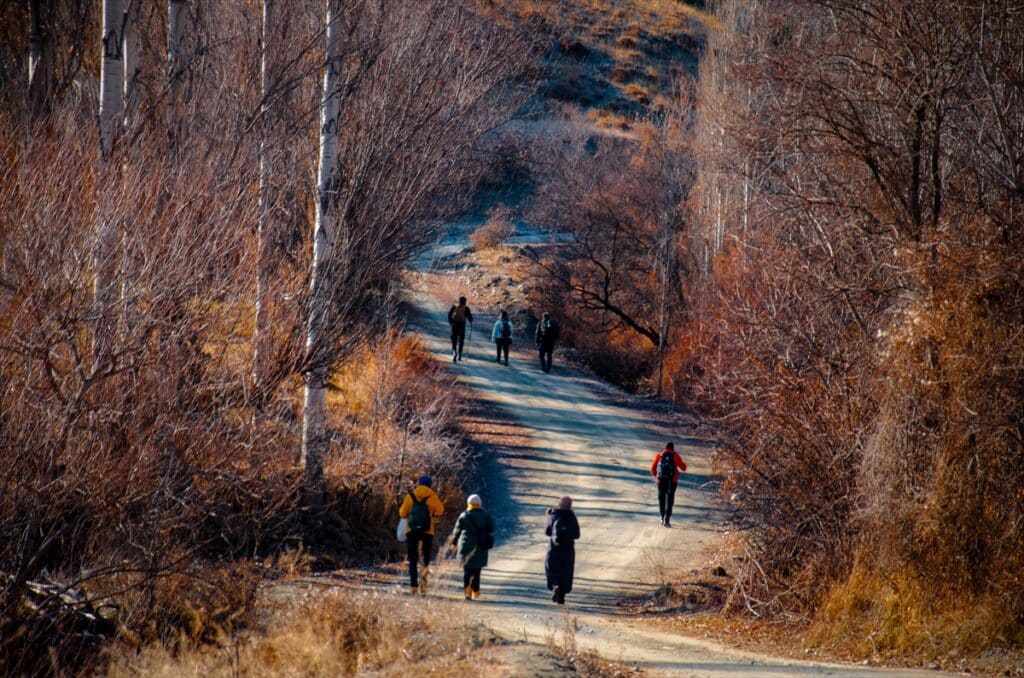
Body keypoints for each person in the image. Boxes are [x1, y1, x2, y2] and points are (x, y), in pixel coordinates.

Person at [398, 474, 446, 594]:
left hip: (412, 531)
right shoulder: (432, 496)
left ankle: (413, 586)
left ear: (418, 484)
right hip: (427, 531)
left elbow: (402, 513)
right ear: (430, 485)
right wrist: (432, 516)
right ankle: (423, 586)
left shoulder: (410, 496)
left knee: (413, 559)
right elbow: (440, 510)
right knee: (425, 559)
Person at [448, 494, 495, 600]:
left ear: (468, 503)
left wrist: (453, 543)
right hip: (480, 545)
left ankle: (467, 592)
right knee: (477, 570)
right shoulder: (486, 515)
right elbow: (491, 529)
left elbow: (457, 531)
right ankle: (476, 591)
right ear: (480, 504)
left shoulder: (464, 515)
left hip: (465, 545)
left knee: (467, 570)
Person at [544, 495, 580, 605]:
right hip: (568, 551)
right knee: (566, 572)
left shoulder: (554, 515)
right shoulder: (572, 517)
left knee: (552, 570)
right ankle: (562, 597)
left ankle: (555, 586)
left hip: (553, 550)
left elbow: (547, 532)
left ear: (559, 504)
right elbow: (577, 535)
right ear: (570, 506)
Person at [650, 442, 687, 527]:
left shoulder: (659, 455)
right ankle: (667, 519)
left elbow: (652, 468)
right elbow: (684, 468)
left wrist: (657, 476)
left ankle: (662, 517)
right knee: (670, 500)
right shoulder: (675, 456)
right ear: (673, 448)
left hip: (661, 480)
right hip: (672, 481)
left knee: (661, 499)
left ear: (664, 448)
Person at [447, 297, 473, 362]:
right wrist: (471, 320)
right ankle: (460, 355)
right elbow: (470, 317)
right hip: (462, 325)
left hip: (454, 325)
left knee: (454, 340)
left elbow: (449, 314)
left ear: (459, 301)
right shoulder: (466, 308)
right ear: (465, 302)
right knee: (461, 340)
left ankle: (454, 352)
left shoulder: (454, 307)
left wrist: (450, 322)